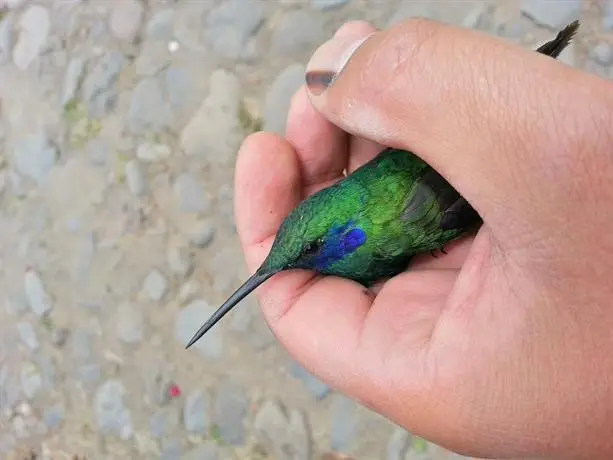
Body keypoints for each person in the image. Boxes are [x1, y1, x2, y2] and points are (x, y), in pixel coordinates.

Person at [233, 18, 613, 460]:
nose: (305, 256)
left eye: (312, 248)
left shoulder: (393, 234)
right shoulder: (355, 230)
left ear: (344, 235)